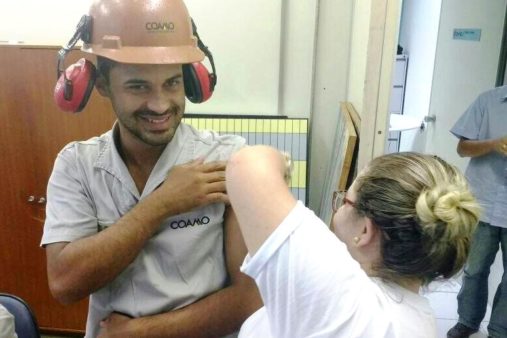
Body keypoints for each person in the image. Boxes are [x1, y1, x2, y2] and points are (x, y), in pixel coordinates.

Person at [41, 1, 261, 337]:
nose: (159, 104)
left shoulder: (227, 159)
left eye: (172, 83)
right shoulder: (77, 166)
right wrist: (161, 204)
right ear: (100, 85)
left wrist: (138, 333)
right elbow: (64, 283)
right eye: (138, 86)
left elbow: (249, 300)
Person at [225, 146, 481, 338]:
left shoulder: (344, 303)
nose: (336, 211)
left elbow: (248, 165)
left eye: (345, 201)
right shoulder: (420, 321)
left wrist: (283, 161)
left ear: (366, 231)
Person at [447, 86, 507, 338]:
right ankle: (468, 321)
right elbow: (462, 148)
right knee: (474, 269)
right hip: (482, 202)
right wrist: (493, 144)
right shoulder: (489, 101)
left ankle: (500, 331)